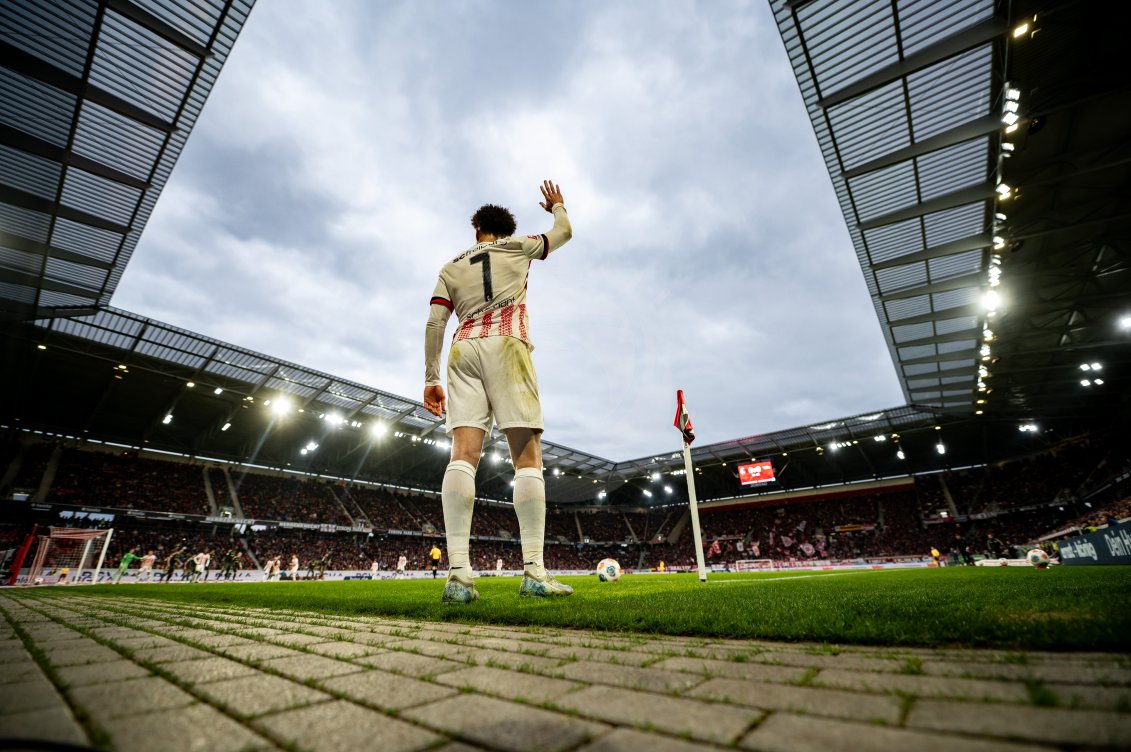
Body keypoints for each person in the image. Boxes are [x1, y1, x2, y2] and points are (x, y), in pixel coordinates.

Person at [423, 180, 574, 604]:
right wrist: (558, 207)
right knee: (526, 459)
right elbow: (563, 234)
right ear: (503, 232)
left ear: (476, 232)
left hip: (462, 348)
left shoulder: (450, 267)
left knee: (462, 456)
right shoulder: (518, 247)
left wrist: (431, 376)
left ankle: (457, 577)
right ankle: (533, 572)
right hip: (507, 343)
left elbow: (436, 323)